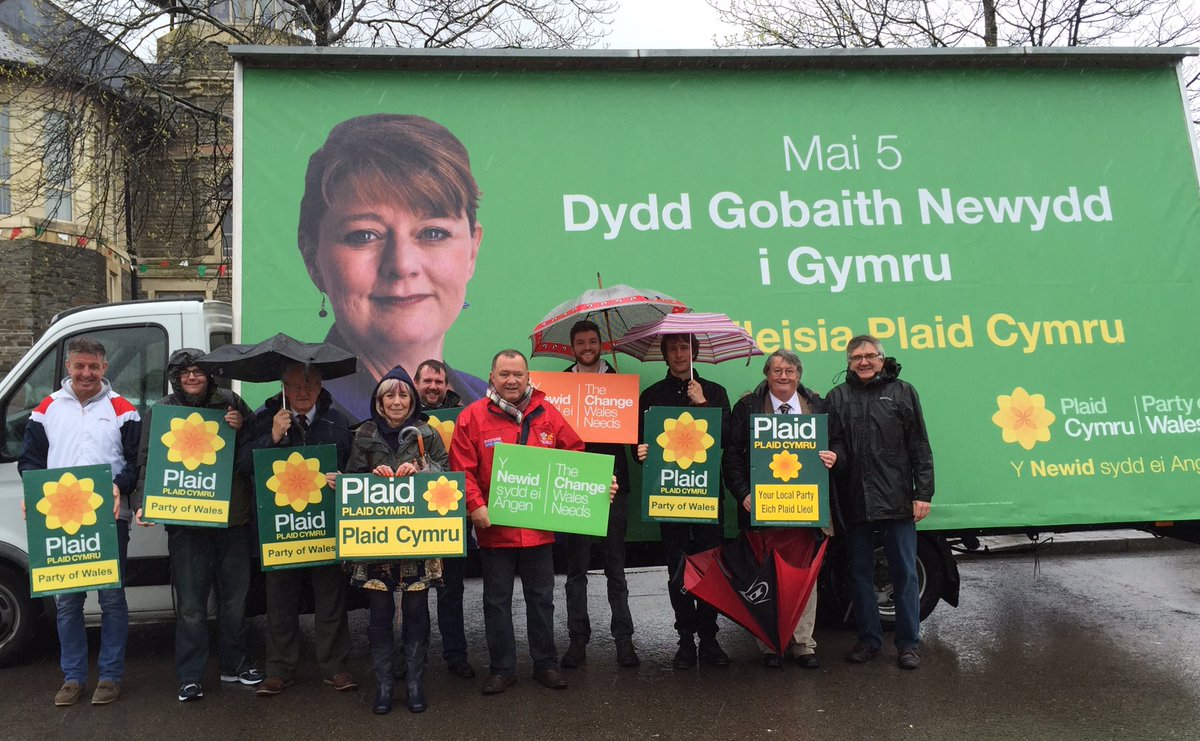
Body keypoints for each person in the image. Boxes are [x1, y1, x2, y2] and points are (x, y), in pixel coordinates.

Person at [297, 114, 487, 422]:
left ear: (472, 251)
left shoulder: (486, 407)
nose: (402, 265)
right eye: (364, 235)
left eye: (433, 233)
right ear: (312, 257)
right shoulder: (293, 425)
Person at [449, 350, 586, 695]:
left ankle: (545, 664)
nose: (512, 381)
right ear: (492, 377)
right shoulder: (471, 418)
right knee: (496, 602)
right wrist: (474, 504)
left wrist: (595, 485)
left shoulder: (548, 414)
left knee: (542, 599)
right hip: (494, 530)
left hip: (539, 531)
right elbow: (460, 468)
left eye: (518, 375)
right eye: (504, 374)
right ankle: (502, 669)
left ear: (528, 377)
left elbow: (575, 456)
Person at [130, 349, 261, 702]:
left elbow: (256, 449)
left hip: (233, 520)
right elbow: (146, 461)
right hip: (187, 526)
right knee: (190, 605)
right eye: (185, 372)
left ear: (209, 374)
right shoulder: (160, 411)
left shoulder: (231, 402)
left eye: (198, 371)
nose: (191, 377)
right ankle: (190, 675)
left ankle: (236, 664)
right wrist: (141, 501)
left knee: (234, 602)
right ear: (175, 376)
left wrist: (243, 426)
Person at [18, 337, 140, 707]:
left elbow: (136, 463)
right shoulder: (46, 409)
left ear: (105, 369)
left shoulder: (123, 410)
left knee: (112, 599)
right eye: (79, 366)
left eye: (93, 366)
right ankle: (72, 678)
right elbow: (29, 462)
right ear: (68, 368)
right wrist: (32, 493)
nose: (86, 373)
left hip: (108, 518)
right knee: (68, 603)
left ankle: (110, 676)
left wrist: (120, 486)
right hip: (60, 520)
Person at [723, 350, 841, 670]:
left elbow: (839, 442)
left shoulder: (817, 406)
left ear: (799, 375)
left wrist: (834, 456)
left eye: (790, 370)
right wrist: (743, 494)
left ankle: (803, 643)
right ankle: (770, 644)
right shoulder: (747, 408)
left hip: (805, 509)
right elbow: (731, 458)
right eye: (777, 370)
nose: (783, 376)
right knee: (766, 576)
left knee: (803, 576)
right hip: (762, 511)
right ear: (767, 375)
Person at [243, 363, 356, 695]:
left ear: (319, 387)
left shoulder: (339, 420)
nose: (303, 392)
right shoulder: (266, 417)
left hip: (326, 528)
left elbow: (356, 465)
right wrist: (273, 437)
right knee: (279, 601)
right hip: (281, 530)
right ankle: (279, 669)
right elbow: (243, 464)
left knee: (331, 599)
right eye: (295, 386)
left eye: (309, 385)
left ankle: (335, 667)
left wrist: (346, 481)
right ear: (284, 388)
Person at [825, 335, 934, 671]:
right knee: (859, 574)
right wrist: (836, 460)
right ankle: (869, 640)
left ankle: (908, 644)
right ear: (848, 362)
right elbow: (837, 445)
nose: (864, 361)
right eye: (857, 356)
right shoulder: (837, 397)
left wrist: (923, 493)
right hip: (855, 500)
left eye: (870, 355)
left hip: (897, 500)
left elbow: (919, 445)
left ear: (883, 359)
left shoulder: (903, 392)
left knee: (904, 573)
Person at [345, 366, 448, 714]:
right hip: (376, 541)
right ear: (379, 400)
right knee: (379, 612)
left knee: (417, 610)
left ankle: (416, 684)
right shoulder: (364, 434)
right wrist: (370, 475)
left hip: (417, 539)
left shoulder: (425, 432)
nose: (397, 401)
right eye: (390, 394)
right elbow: (352, 478)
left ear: (412, 399)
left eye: (403, 394)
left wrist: (422, 471)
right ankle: (386, 686)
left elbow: (446, 473)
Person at [635, 334, 732, 671]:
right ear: (665, 354)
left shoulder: (715, 392)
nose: (679, 354)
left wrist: (703, 404)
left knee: (707, 568)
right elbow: (640, 448)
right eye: (673, 348)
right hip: (668, 498)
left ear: (695, 352)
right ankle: (685, 640)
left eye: (685, 348)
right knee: (677, 571)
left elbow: (727, 439)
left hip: (705, 497)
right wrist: (641, 453)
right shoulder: (651, 397)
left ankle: (710, 639)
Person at [560, 321, 639, 669]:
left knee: (615, 566)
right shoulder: (560, 383)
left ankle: (624, 639)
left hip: (613, 484)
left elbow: (635, 437)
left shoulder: (617, 381)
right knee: (576, 569)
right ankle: (578, 639)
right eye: (581, 342)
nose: (587, 347)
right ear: (573, 347)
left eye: (593, 341)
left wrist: (632, 420)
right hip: (574, 483)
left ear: (601, 344)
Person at [414, 357, 474, 680]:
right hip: (419, 520)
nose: (433, 387)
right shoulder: (404, 416)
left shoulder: (464, 415)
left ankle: (456, 655)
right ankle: (415, 658)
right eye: (427, 381)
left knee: (451, 592)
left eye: (439, 382)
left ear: (445, 385)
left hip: (454, 516)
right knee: (416, 593)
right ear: (417, 383)